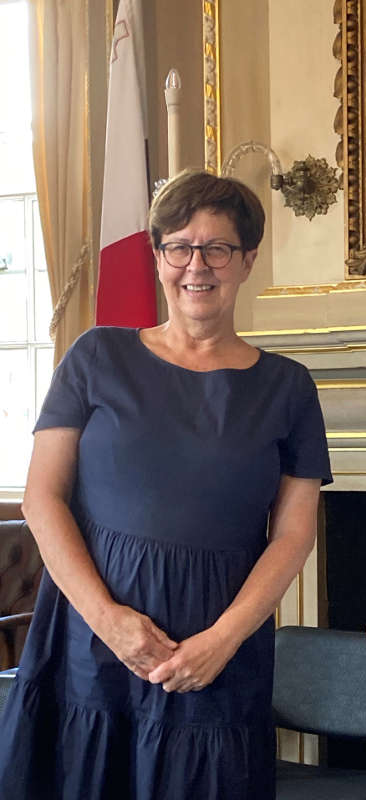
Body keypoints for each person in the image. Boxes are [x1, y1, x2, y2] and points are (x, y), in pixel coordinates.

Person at [0, 169, 332, 799]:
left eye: (218, 248)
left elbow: (293, 534)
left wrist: (221, 641)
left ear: (247, 258)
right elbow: (42, 497)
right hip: (90, 642)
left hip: (215, 652)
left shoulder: (288, 387)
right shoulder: (96, 356)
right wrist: (109, 621)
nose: (196, 265)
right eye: (179, 246)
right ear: (156, 257)